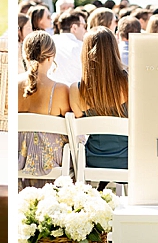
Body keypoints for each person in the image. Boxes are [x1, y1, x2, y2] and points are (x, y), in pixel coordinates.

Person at [68, 27, 129, 173]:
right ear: (114, 50)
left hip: (93, 159)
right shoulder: (130, 82)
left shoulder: (76, 90)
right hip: (127, 158)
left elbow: (80, 123)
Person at [17, 31, 71, 187]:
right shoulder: (60, 90)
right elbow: (69, 129)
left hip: (18, 157)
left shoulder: (13, 85)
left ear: (26, 56)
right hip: (49, 161)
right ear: (50, 57)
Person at [49, 10, 85, 86]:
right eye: (84, 26)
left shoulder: (49, 42)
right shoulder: (81, 47)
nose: (86, 30)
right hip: (74, 94)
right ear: (74, 28)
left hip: (52, 93)